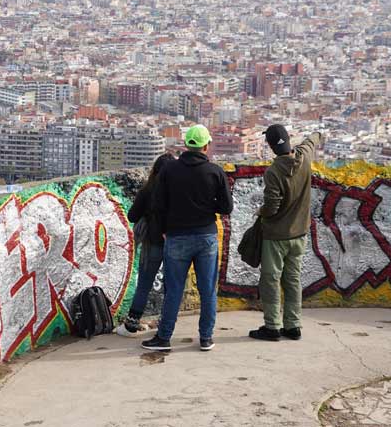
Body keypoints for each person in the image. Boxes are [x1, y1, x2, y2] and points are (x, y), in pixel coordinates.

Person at [142, 125, 233, 352]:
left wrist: (164, 229)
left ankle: (163, 338)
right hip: (206, 235)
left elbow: (158, 204)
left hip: (176, 236)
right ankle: (206, 338)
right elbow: (226, 206)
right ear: (205, 145)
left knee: (173, 290)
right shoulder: (214, 171)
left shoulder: (170, 170)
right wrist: (207, 206)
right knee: (207, 290)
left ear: (186, 144)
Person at [249, 125, 323, 342]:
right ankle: (293, 325)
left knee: (271, 280)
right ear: (289, 140)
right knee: (293, 279)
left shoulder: (273, 172)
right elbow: (312, 140)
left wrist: (260, 211)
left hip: (276, 236)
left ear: (271, 147)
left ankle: (272, 326)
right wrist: (317, 134)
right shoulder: (305, 157)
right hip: (300, 233)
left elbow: (272, 206)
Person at [115, 153, 176, 336]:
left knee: (144, 284)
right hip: (175, 242)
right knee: (172, 285)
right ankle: (166, 323)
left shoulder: (147, 190)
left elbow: (132, 216)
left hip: (152, 243)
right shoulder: (178, 191)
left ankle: (131, 324)